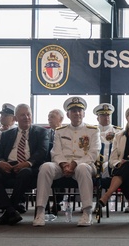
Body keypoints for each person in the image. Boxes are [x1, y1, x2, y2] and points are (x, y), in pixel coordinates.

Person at [33, 97, 101, 227]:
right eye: (73, 111)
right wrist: (64, 164)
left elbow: (93, 153)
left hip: (85, 164)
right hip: (62, 165)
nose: (77, 113)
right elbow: (56, 152)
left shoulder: (93, 131)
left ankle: (87, 212)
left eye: (79, 110)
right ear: (68, 114)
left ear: (84, 113)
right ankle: (40, 211)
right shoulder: (60, 131)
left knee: (82, 168)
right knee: (46, 167)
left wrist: (75, 163)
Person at [0, 103, 49, 226]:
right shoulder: (7, 134)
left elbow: (42, 152)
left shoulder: (41, 132)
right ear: (16, 118)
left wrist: (27, 163)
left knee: (25, 173)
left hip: (29, 168)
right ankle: (11, 210)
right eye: (22, 115)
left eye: (28, 114)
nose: (26, 117)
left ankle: (9, 210)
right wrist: (1, 163)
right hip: (8, 167)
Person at [94, 102, 121, 179]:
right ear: (97, 118)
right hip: (94, 161)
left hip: (110, 161)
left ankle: (105, 190)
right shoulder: (92, 131)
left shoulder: (118, 131)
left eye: (108, 115)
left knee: (106, 167)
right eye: (103, 115)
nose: (106, 118)